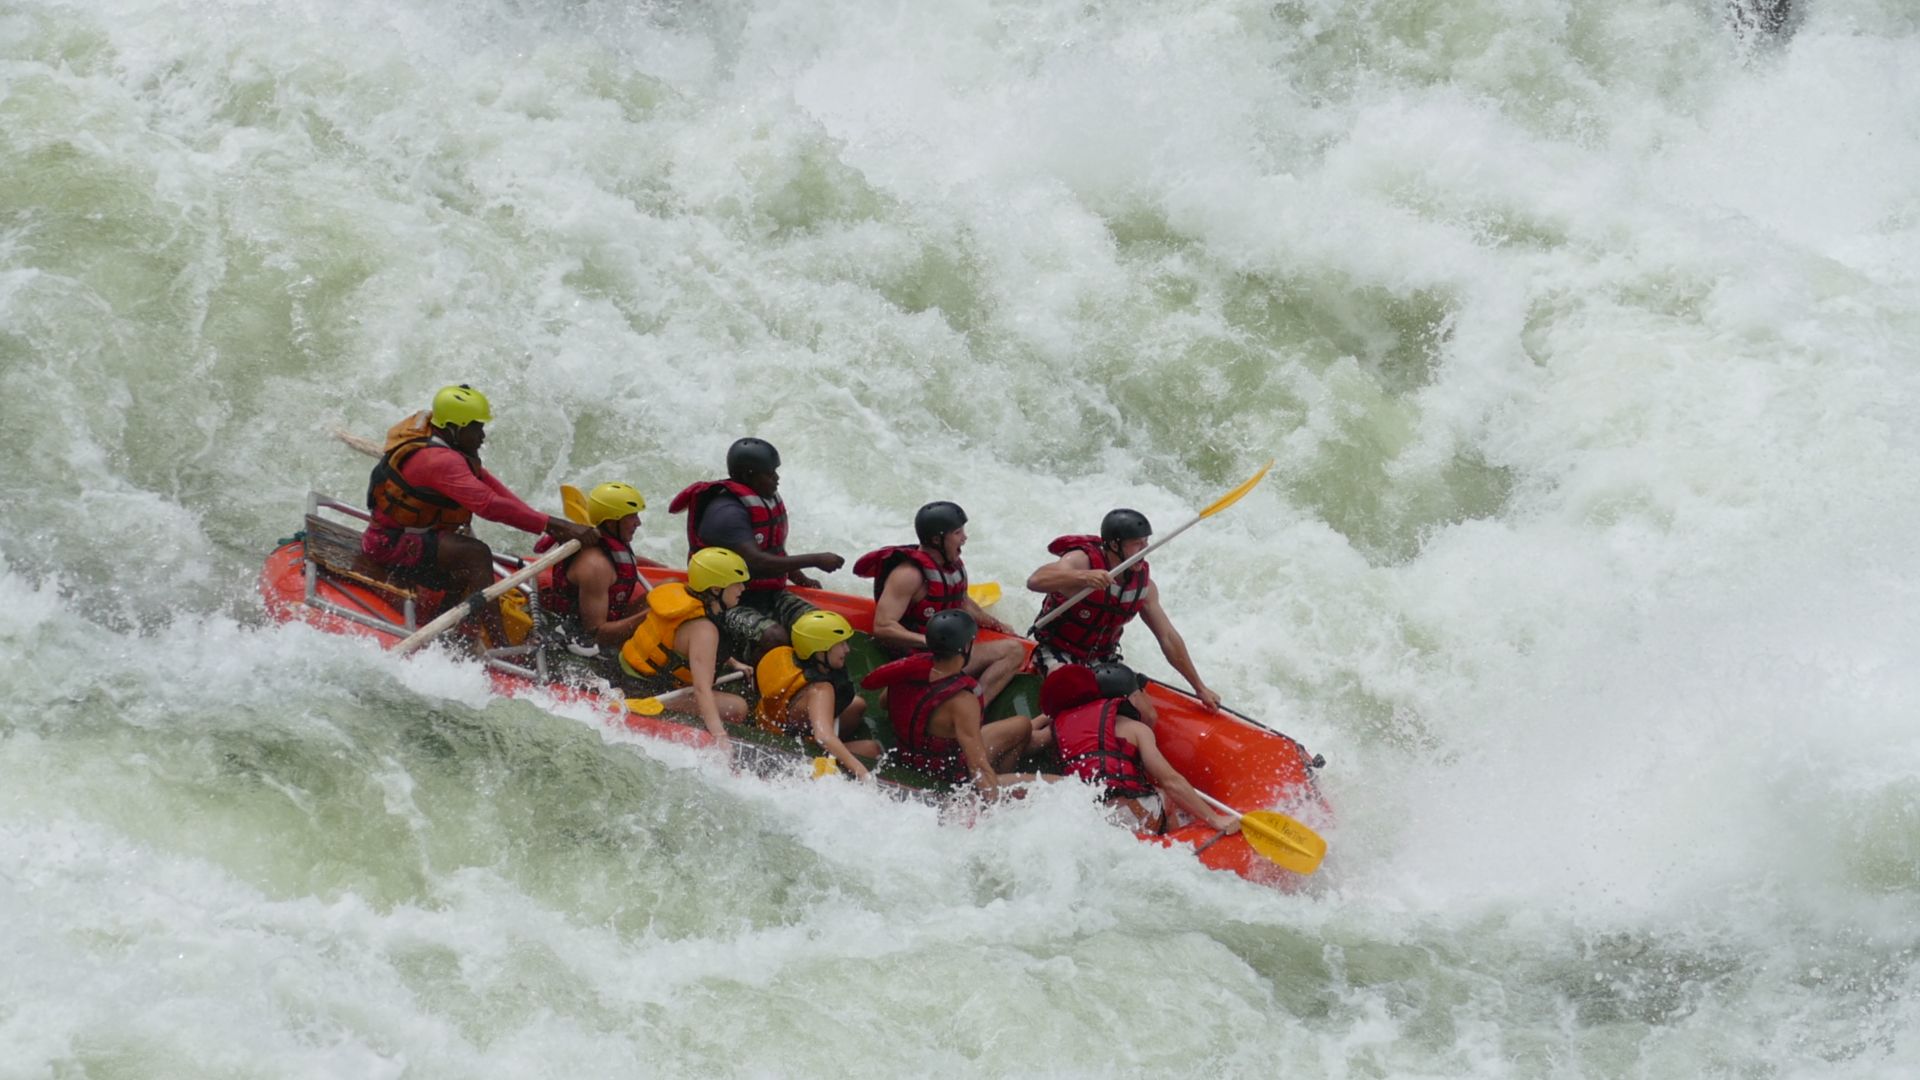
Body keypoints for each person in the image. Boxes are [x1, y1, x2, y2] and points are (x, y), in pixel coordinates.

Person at [362, 384, 597, 644]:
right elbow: (489, 505)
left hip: (408, 535)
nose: (482, 435)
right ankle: (501, 644)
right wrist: (551, 525)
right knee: (476, 554)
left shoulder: (443, 442)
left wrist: (546, 524)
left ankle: (451, 626)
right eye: (477, 427)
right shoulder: (440, 461)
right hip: (389, 544)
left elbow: (491, 487)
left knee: (465, 560)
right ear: (455, 428)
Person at [1024, 508, 1220, 717]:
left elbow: (1168, 637)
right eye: (1137, 544)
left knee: (1147, 715)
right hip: (1059, 651)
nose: (1144, 550)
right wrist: (1082, 577)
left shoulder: (1144, 586)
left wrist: (1199, 687)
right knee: (1070, 694)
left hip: (1103, 658)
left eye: (1145, 543)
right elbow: (1035, 581)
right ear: (1115, 544)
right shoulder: (1080, 561)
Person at [668, 437, 844, 662]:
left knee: (823, 627)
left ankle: (807, 681)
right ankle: (754, 681)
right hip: (726, 603)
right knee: (774, 636)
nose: (777, 479)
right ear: (748, 476)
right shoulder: (726, 513)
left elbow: (773, 550)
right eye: (771, 474)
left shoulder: (763, 499)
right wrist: (816, 559)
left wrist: (800, 578)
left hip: (767, 595)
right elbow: (756, 562)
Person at [859, 610, 1047, 797]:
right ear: (966, 647)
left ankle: (1040, 725)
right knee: (1053, 782)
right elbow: (978, 766)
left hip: (906, 756)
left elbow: (885, 702)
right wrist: (993, 803)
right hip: (950, 774)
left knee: (1021, 725)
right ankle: (1003, 774)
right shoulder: (962, 701)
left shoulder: (908, 670)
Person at [1041, 661, 1240, 836]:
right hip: (1125, 816)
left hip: (1083, 815)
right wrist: (1215, 819)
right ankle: (1177, 841)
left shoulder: (1060, 729)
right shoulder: (1136, 730)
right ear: (1133, 699)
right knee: (1167, 796)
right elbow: (1171, 781)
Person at [853, 500, 1023, 704]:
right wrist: (932, 643)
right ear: (937, 539)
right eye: (958, 533)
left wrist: (997, 625)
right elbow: (883, 627)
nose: (965, 538)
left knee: (1015, 648)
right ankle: (957, 708)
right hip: (921, 658)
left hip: (948, 654)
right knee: (1013, 651)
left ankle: (975, 707)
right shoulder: (908, 575)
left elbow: (963, 603)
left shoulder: (951, 566)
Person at [617, 547, 754, 752]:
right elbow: (701, 688)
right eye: (737, 584)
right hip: (646, 689)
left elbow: (678, 643)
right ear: (716, 589)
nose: (742, 588)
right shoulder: (704, 630)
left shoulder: (685, 597)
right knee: (738, 706)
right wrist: (719, 736)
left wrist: (734, 662)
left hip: (625, 668)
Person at [534, 481, 669, 655]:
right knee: (661, 608)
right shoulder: (595, 567)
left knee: (669, 585)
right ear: (612, 522)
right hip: (583, 640)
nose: (638, 523)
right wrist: (651, 614)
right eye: (631, 517)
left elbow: (622, 560)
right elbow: (595, 633)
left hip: (612, 617)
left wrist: (660, 567)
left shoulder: (604, 540)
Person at [752, 610, 881, 780]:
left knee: (857, 705)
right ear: (820, 650)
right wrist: (862, 773)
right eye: (841, 644)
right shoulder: (821, 690)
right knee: (873, 750)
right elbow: (824, 737)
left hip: (779, 726)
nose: (847, 649)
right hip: (788, 745)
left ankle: (838, 744)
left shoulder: (795, 660)